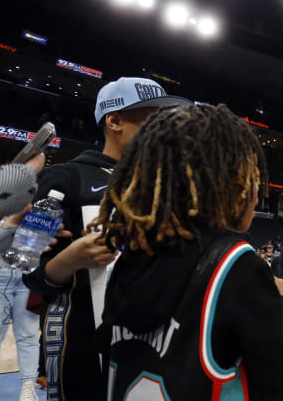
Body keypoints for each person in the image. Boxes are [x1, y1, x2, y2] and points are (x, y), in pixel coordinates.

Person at [89, 103, 283, 400]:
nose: (257, 191)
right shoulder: (236, 263)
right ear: (227, 183)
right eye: (250, 176)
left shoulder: (133, 255)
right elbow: (281, 371)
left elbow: (104, 344)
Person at [22, 77, 191, 401]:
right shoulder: (65, 178)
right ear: (114, 121)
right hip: (84, 351)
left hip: (154, 345)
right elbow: (27, 267)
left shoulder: (166, 190)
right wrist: (70, 259)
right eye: (153, 119)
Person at [0, 152, 48, 401]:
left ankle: (28, 388)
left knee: (29, 336)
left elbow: (40, 244)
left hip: (25, 275)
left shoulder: (40, 203)